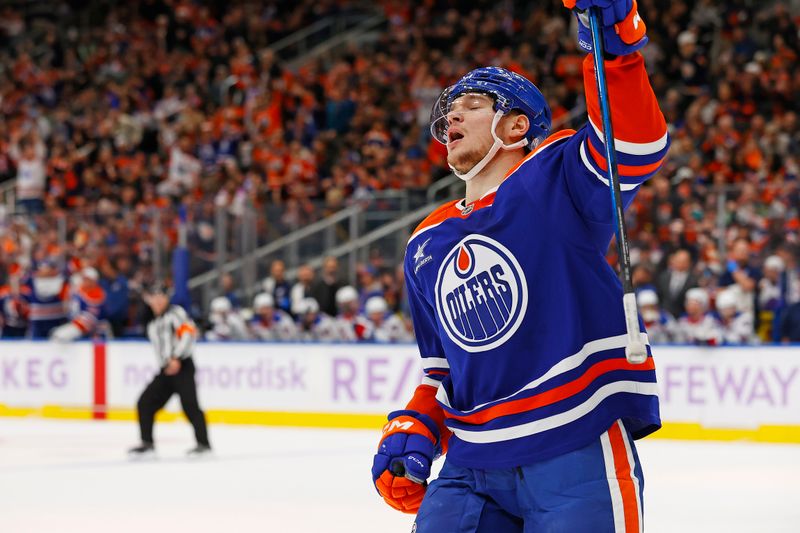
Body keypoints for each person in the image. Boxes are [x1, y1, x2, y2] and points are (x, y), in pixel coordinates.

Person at [371, 2, 668, 530]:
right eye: (450, 110)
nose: (451, 117)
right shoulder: (425, 241)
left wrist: (616, 50)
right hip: (471, 460)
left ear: (515, 125)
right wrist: (420, 421)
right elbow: (443, 367)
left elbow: (635, 147)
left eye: (473, 104)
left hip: (573, 439)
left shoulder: (554, 175)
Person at [128, 285, 211, 458]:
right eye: (154, 298)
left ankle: (204, 445)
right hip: (166, 370)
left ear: (167, 299)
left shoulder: (176, 314)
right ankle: (147, 444)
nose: (158, 301)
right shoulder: (152, 321)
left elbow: (189, 333)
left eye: (161, 297)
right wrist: (168, 362)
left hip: (182, 367)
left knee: (190, 405)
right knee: (145, 403)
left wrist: (176, 357)